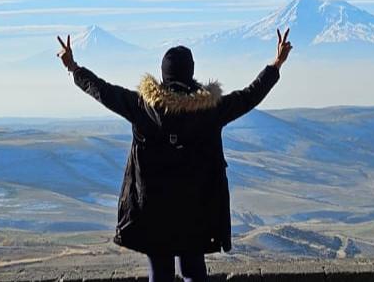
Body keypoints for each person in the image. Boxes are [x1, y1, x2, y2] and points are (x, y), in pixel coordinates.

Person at [56, 28, 293, 282]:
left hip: (152, 208)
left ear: (163, 73)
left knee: (160, 273)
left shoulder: (142, 107)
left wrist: (73, 67)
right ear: (191, 73)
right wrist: (276, 63)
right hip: (197, 207)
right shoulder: (210, 110)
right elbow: (250, 96)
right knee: (192, 270)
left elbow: (102, 90)